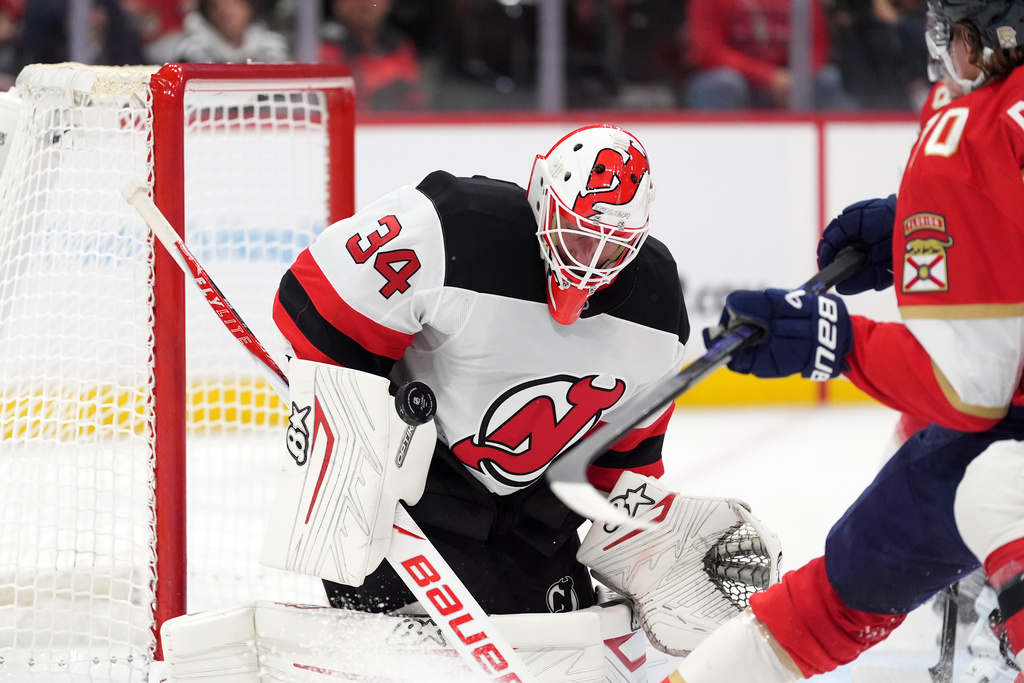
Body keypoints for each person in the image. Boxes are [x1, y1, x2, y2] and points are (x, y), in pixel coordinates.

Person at [674, 0, 1024, 680]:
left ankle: (1001, 594)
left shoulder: (976, 127)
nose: (941, 48)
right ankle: (995, 592)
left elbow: (972, 388)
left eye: (951, 32)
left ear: (986, 43)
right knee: (891, 514)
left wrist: (828, 341)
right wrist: (914, 233)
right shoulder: (998, 114)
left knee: (990, 485)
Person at [271, 123, 693, 617]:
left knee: (561, 661)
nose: (589, 260)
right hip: (414, 497)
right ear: (541, 194)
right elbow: (315, 305)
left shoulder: (657, 311)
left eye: (613, 246)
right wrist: (358, 452)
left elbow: (621, 465)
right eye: (577, 235)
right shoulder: (456, 227)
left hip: (537, 519)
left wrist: (647, 556)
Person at [682, 0, 856, 109]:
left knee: (827, 79)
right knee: (723, 84)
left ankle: (842, 156)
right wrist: (767, 77)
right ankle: (717, 155)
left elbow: (817, 46)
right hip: (737, 80)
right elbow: (708, 51)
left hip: (787, 81)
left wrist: (796, 78)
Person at [318, 0, 425, 111]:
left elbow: (413, 102)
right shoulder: (319, 46)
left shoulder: (399, 46)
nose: (366, 3)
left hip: (386, 124)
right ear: (337, 3)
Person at [144, 0, 288, 65]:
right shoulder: (192, 50)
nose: (226, 12)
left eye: (235, 3)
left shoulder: (272, 47)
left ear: (251, 7)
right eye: (216, 5)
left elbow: (280, 99)